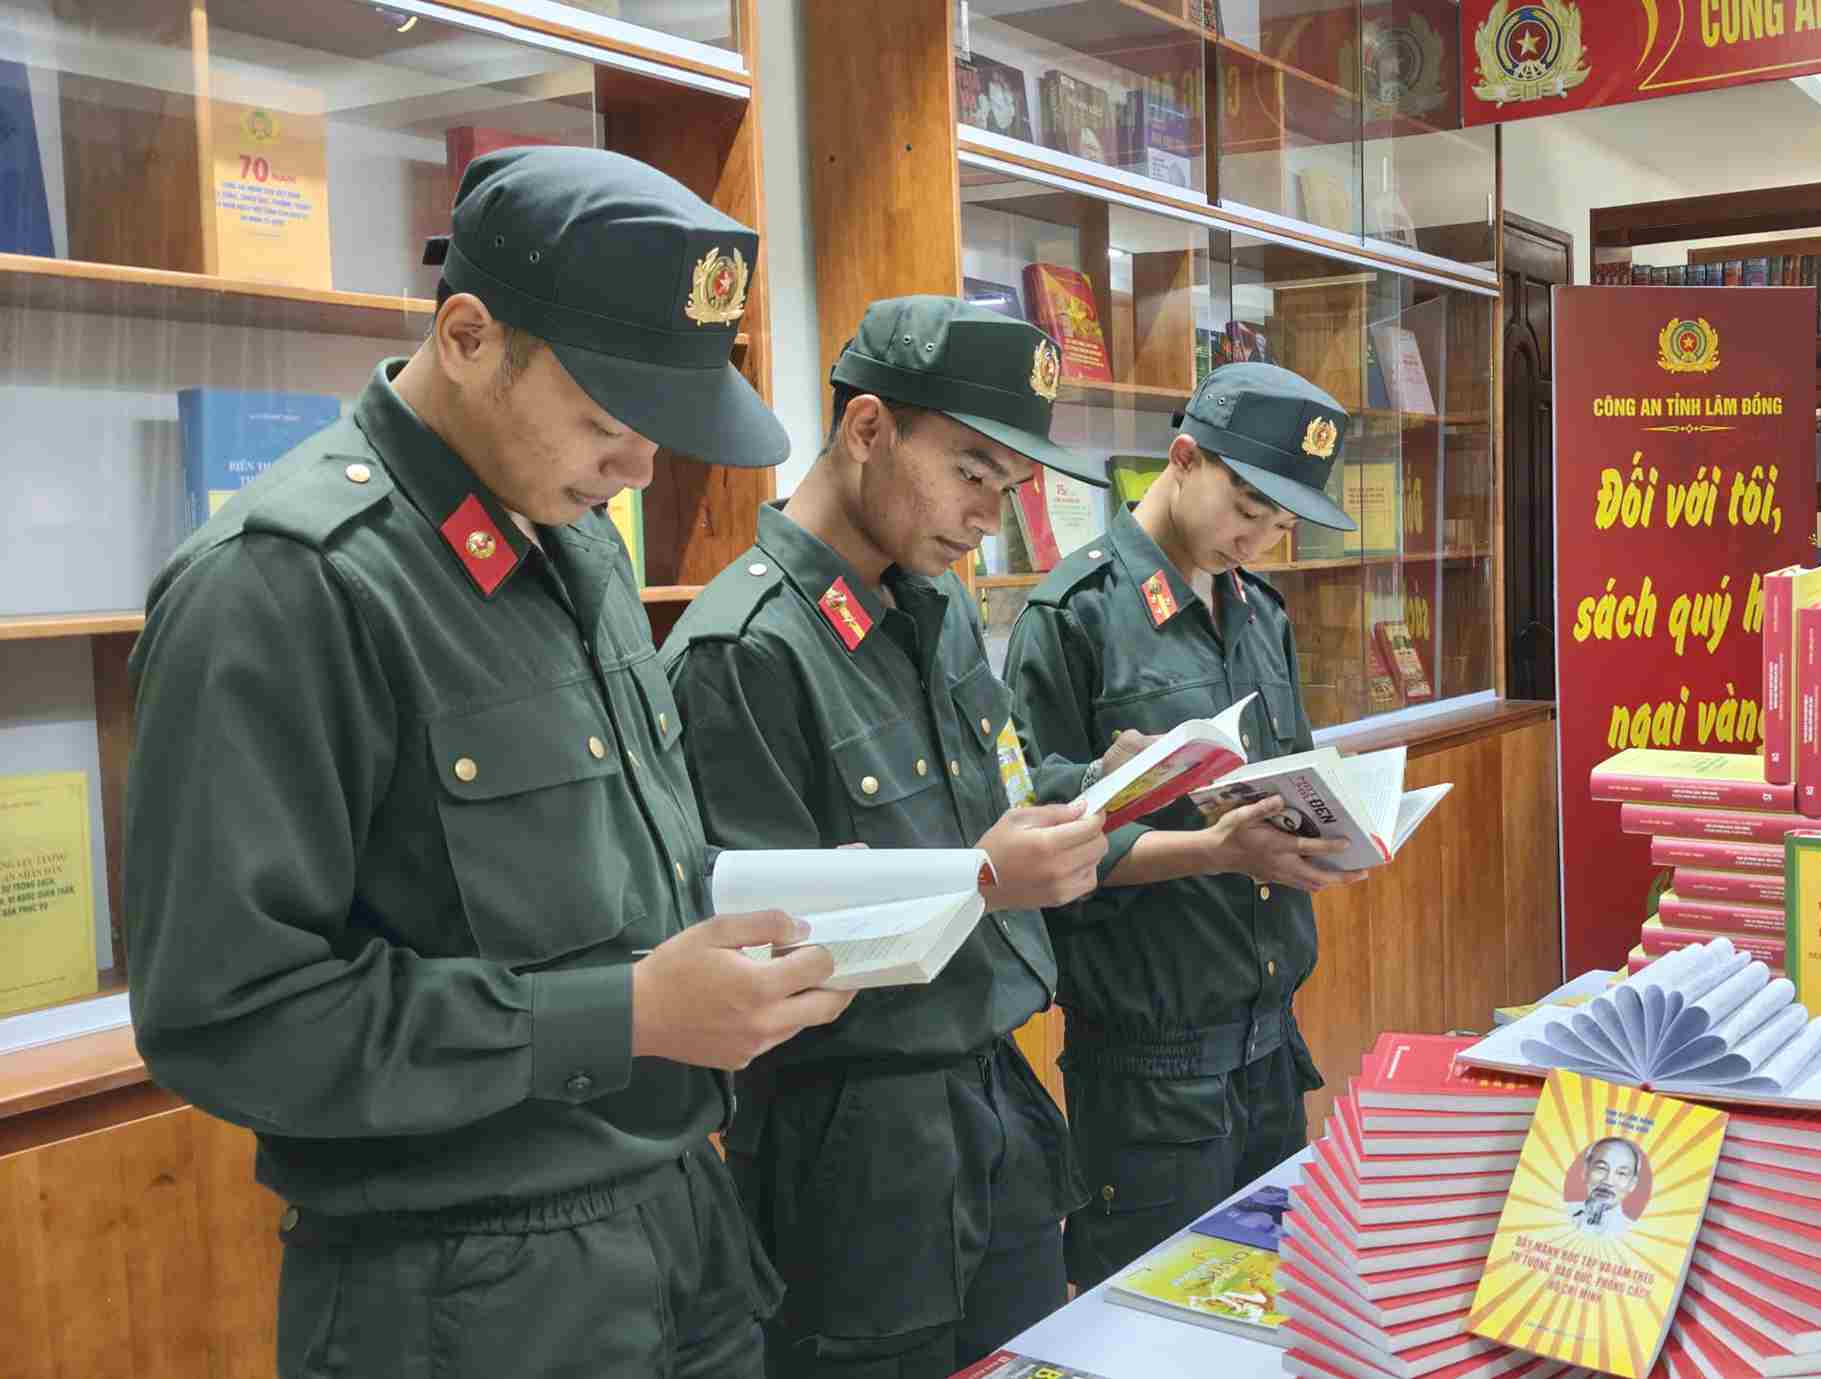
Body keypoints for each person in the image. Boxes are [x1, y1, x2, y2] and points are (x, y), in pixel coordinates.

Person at [122, 146, 853, 1379]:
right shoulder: (288, 585)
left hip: (679, 1227)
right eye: (609, 419)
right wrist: (622, 1014)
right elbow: (226, 1014)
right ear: (467, 335)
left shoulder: (576, 551)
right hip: (462, 1287)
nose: (639, 469)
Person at [661, 295, 1129, 1378]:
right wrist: (979, 881)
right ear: (866, 429)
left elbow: (985, 795)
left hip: (995, 1094)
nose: (986, 516)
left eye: (1008, 490)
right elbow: (766, 942)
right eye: (970, 472)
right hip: (852, 1142)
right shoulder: (743, 649)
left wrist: (1089, 785)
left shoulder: (935, 608)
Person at [1001, 362, 1376, 1291]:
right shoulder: (1075, 613)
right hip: (1150, 1070)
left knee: (1268, 1313)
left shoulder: (1259, 609)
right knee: (1149, 1330)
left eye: (1283, 522)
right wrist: (1212, 850)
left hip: (1270, 1047)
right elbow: (1043, 845)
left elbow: (1289, 776)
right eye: (1248, 507)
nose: (1261, 536)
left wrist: (1329, 833)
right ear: (1182, 459)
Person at [1571, 1137, 1648, 1239]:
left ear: (1633, 1184)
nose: (1608, 1181)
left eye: (1621, 1173)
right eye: (1601, 1168)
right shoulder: (1558, 1212)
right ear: (1585, 1171)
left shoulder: (1636, 1233)